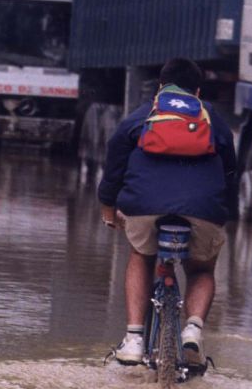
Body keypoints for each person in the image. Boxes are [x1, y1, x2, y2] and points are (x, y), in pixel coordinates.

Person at [98, 57, 237, 366]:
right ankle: (193, 330)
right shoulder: (212, 118)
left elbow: (114, 166)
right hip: (204, 209)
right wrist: (223, 214)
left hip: (144, 208)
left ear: (160, 86)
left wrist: (108, 207)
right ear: (197, 91)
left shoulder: (142, 115)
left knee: (141, 256)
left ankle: (134, 339)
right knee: (201, 269)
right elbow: (231, 173)